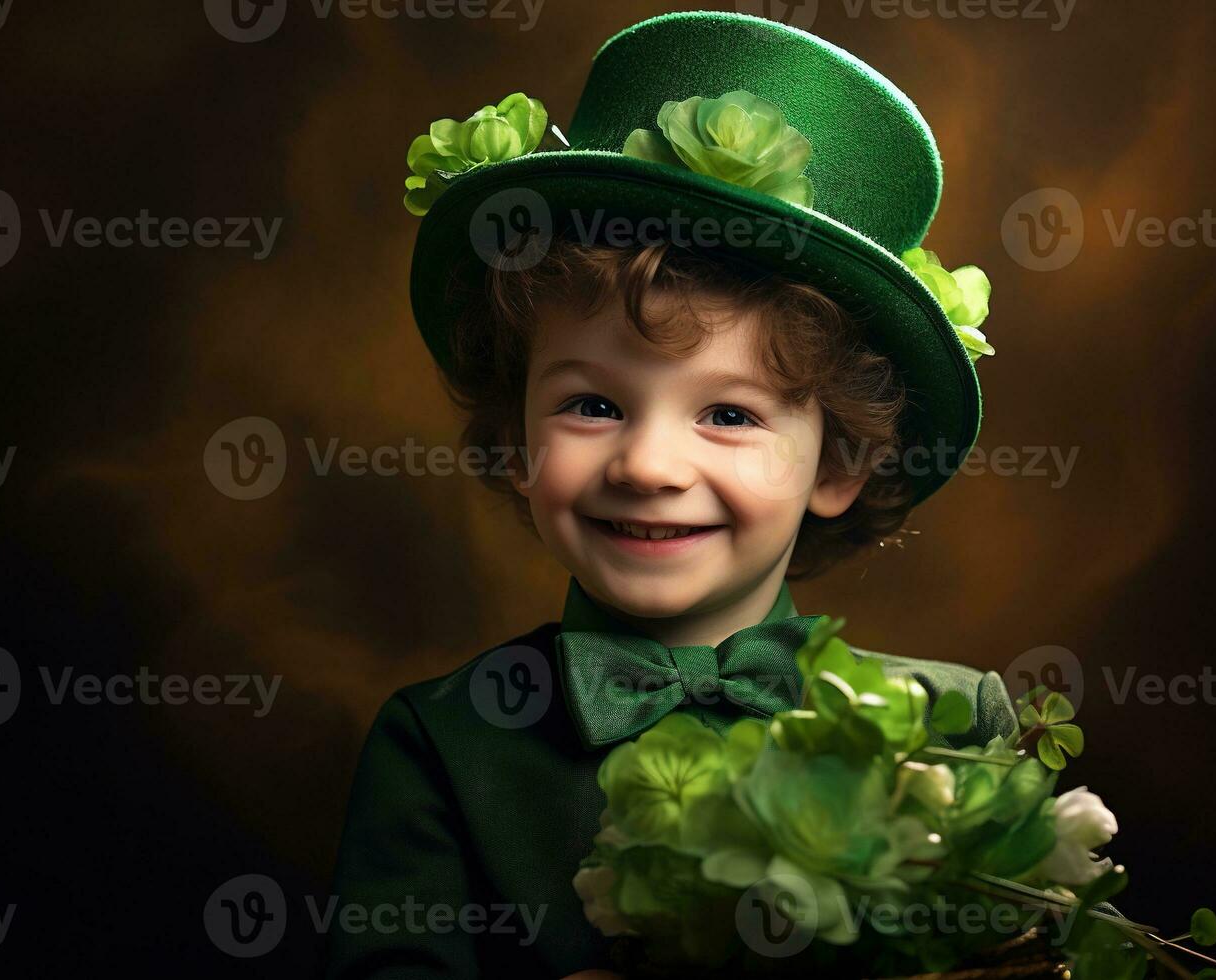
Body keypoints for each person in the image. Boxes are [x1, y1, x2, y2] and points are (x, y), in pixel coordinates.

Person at [330, 10, 1007, 978]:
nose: (648, 464)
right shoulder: (444, 741)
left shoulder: (954, 724)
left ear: (839, 464)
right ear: (518, 440)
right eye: (594, 403)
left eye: (730, 414)